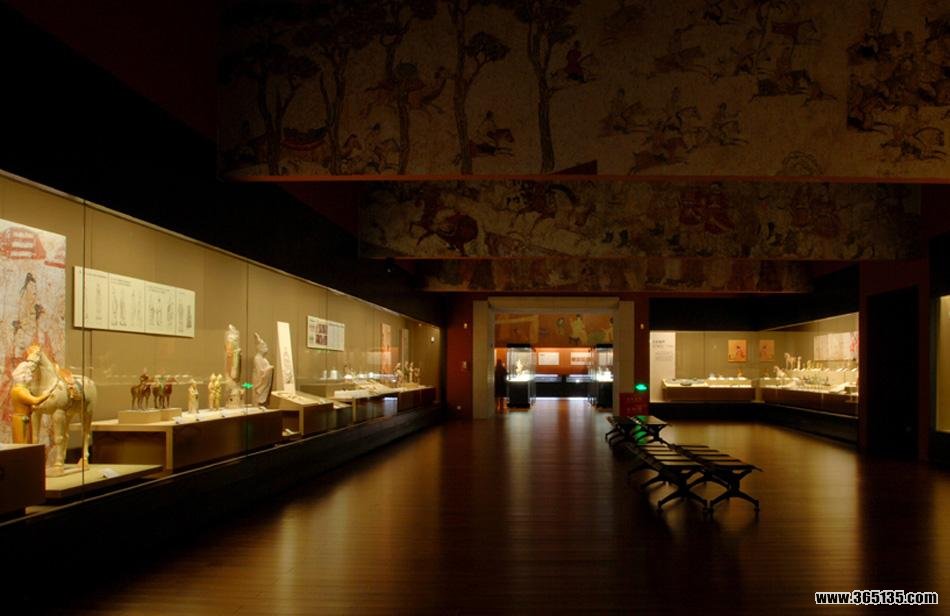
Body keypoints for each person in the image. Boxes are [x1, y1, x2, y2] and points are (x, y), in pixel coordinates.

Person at [9, 360, 51, 444]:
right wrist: (45, 395)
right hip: (21, 420)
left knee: (27, 442)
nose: (31, 375)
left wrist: (32, 409)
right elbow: (35, 401)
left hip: (25, 419)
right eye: (29, 374)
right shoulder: (19, 391)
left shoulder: (23, 390)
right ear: (23, 376)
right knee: (23, 443)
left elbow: (26, 405)